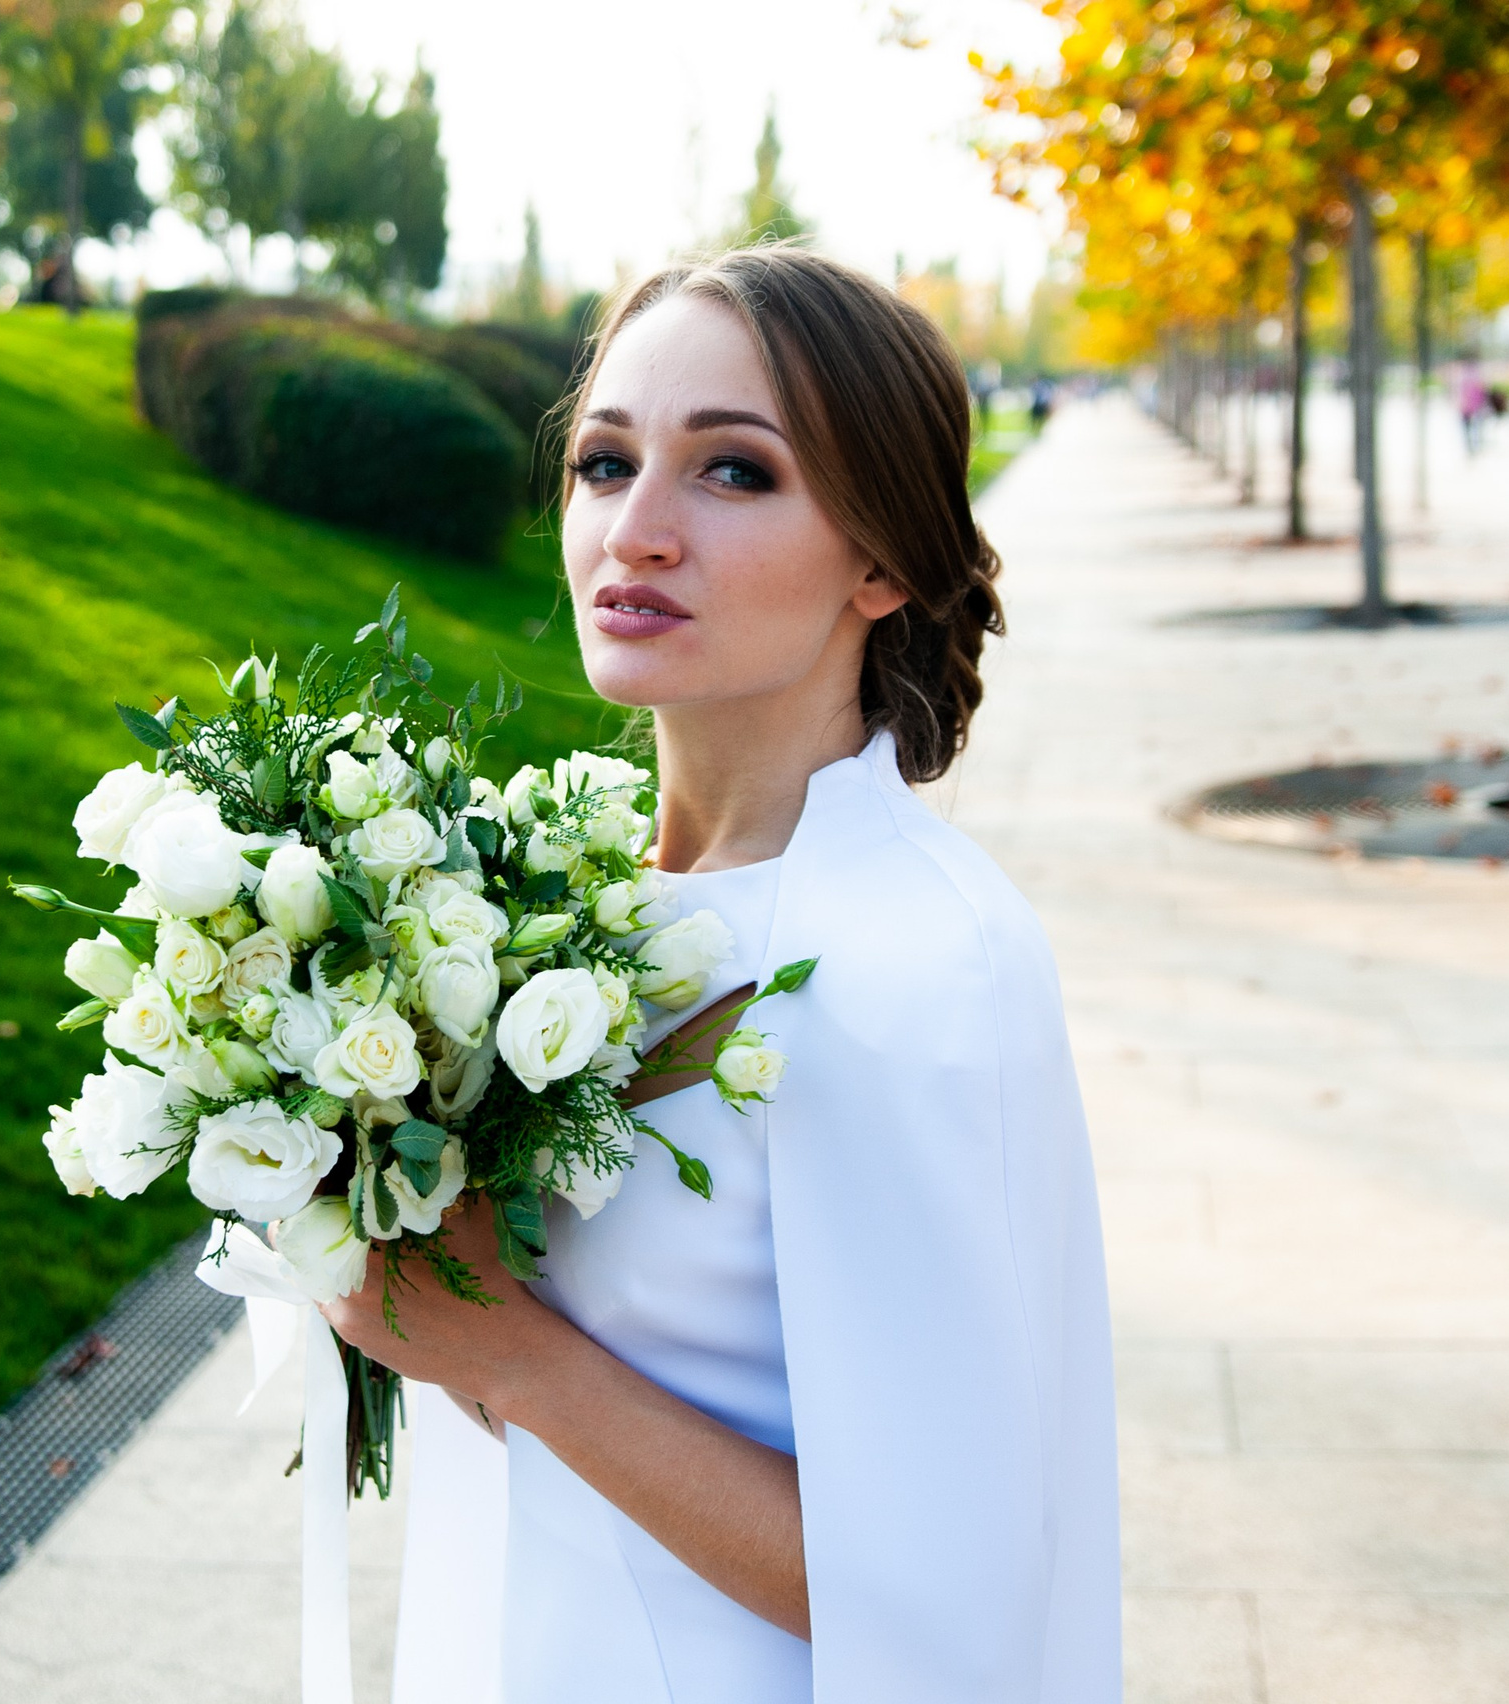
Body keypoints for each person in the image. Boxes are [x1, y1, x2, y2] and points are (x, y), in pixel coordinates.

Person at [319, 245, 1119, 1703]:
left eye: (734, 473)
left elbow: (948, 1596)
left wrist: (513, 1355)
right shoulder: (570, 904)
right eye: (605, 461)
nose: (637, 529)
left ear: (881, 561)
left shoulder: (913, 967)